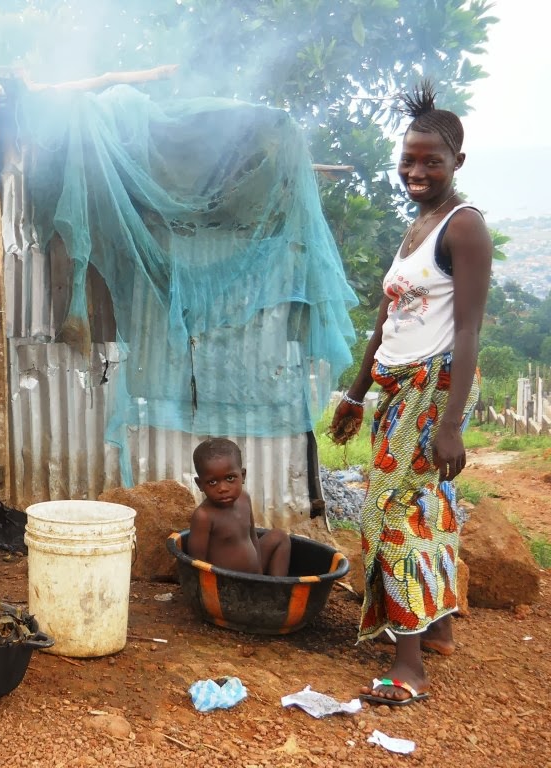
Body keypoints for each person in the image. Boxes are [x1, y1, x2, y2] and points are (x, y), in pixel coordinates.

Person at [327, 81, 492, 707]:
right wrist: (355, 394)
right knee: (427, 505)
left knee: (392, 511)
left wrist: (450, 424)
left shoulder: (464, 227)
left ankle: (409, 665)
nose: (416, 172)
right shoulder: (417, 226)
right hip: (399, 387)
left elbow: (468, 331)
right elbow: (387, 320)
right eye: (408, 160)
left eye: (431, 161)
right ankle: (438, 627)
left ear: (457, 162)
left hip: (433, 389)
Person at [187, 438, 291, 577]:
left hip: (254, 573)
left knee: (280, 536)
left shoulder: (244, 499)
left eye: (230, 478)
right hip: (227, 582)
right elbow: (197, 562)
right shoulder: (204, 516)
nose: (223, 488)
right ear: (200, 484)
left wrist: (259, 573)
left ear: (242, 476)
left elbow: (252, 536)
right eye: (212, 482)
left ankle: (277, 587)